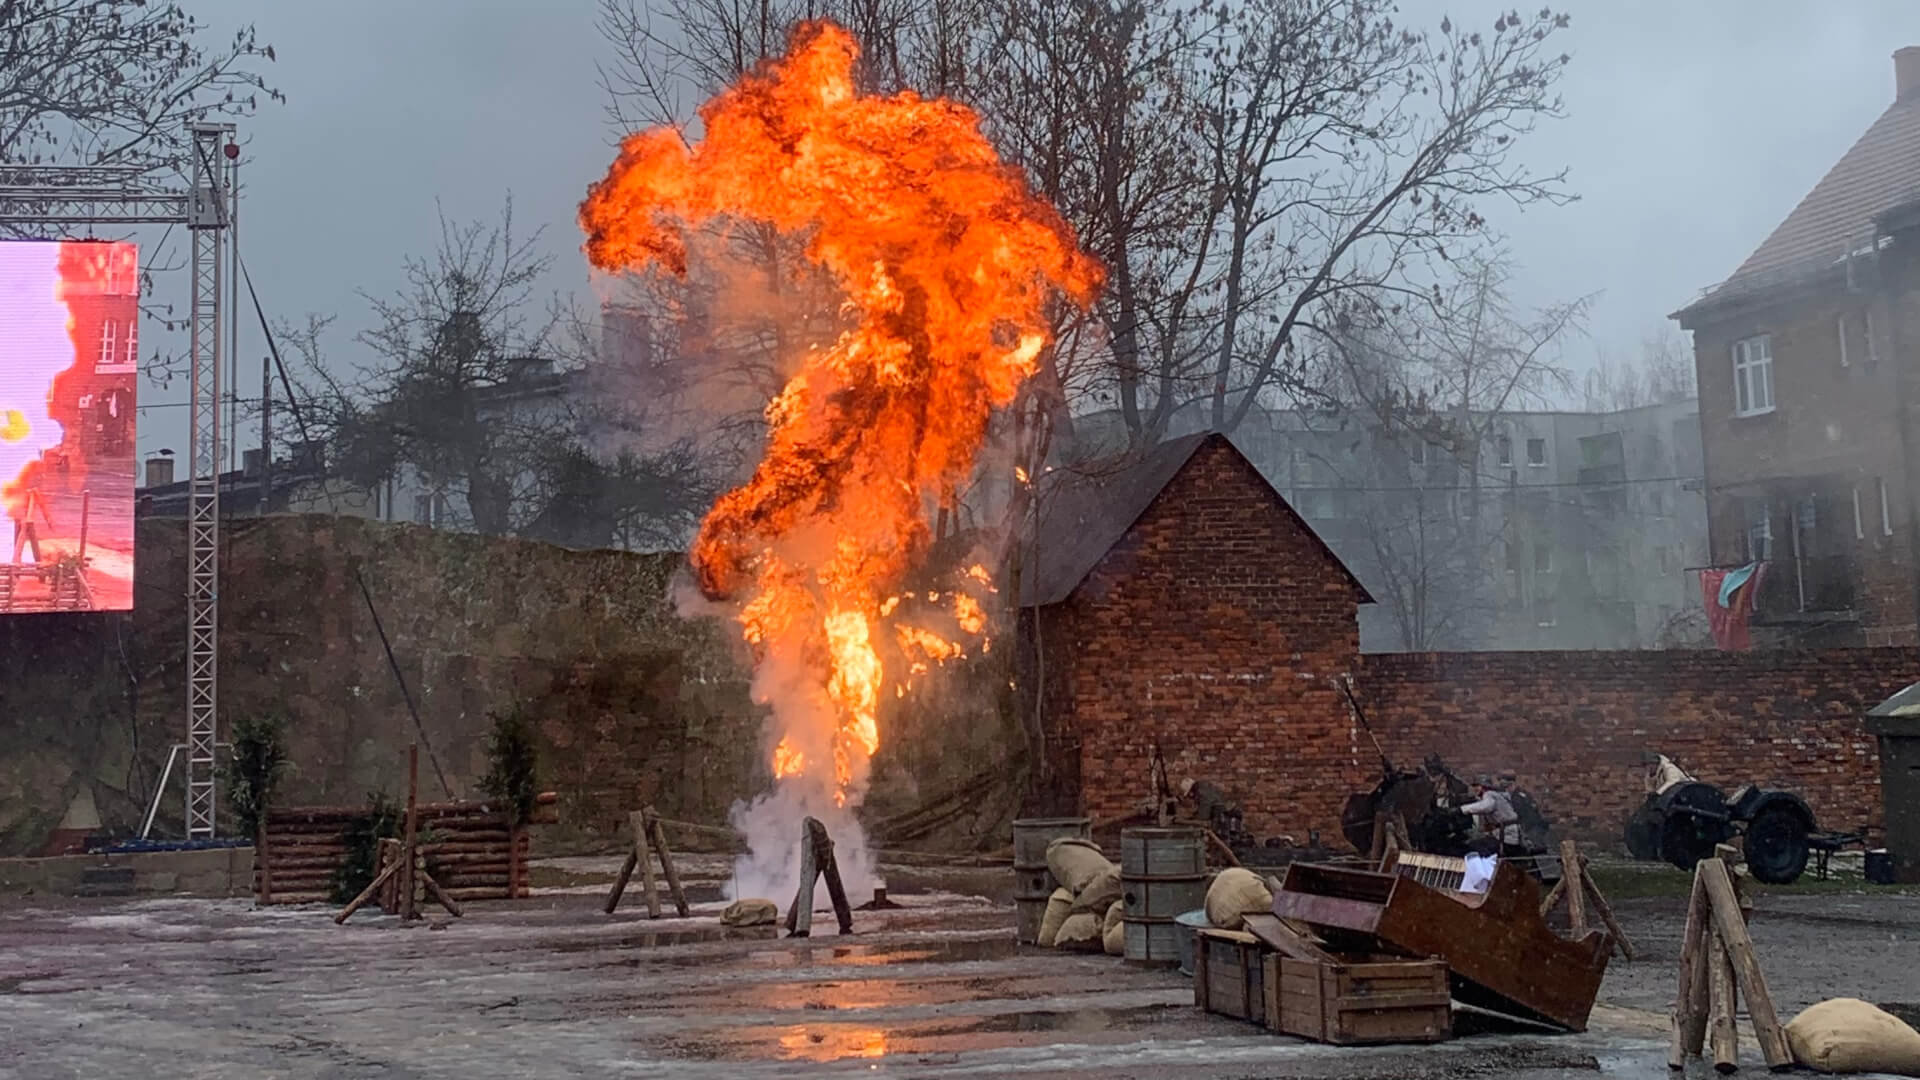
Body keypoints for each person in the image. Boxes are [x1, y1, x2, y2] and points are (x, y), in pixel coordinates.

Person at [1461, 776, 1524, 859]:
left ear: (1484, 786)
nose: (1475, 788)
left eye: (1477, 786)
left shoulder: (1490, 795)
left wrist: (1462, 809)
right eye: (1474, 786)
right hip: (1508, 835)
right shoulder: (1495, 796)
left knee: (1474, 846)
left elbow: (1485, 806)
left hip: (1507, 837)